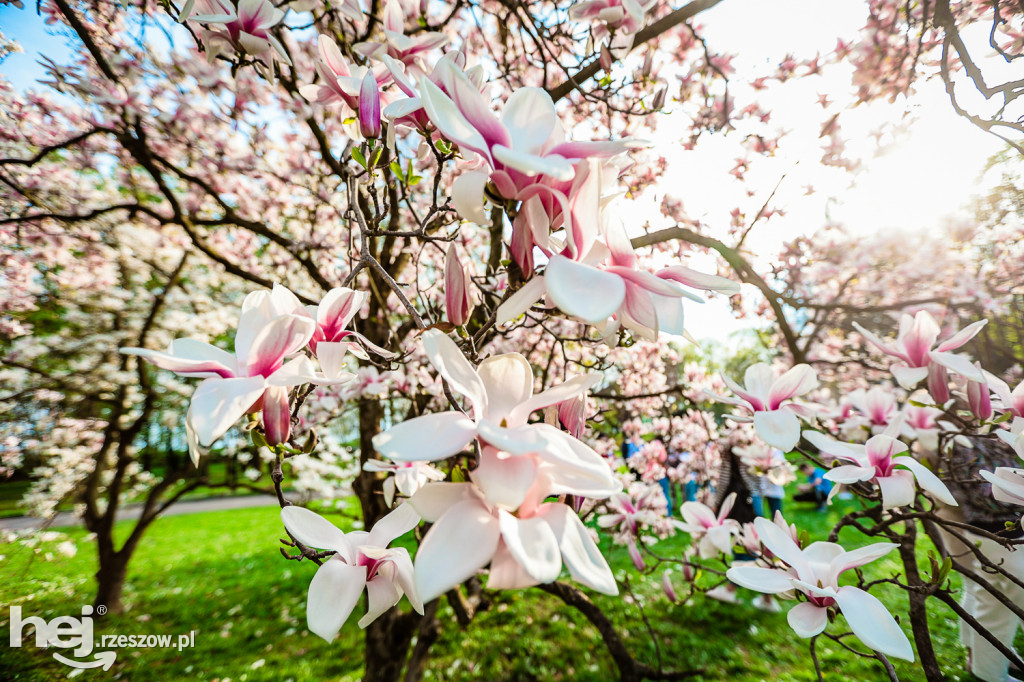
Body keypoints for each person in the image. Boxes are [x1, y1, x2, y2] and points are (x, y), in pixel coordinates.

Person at [928, 437, 1024, 682]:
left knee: (990, 600)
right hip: (994, 531)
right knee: (1000, 598)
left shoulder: (998, 433)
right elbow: (984, 493)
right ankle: (989, 667)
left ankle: (988, 669)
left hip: (991, 530)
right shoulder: (967, 439)